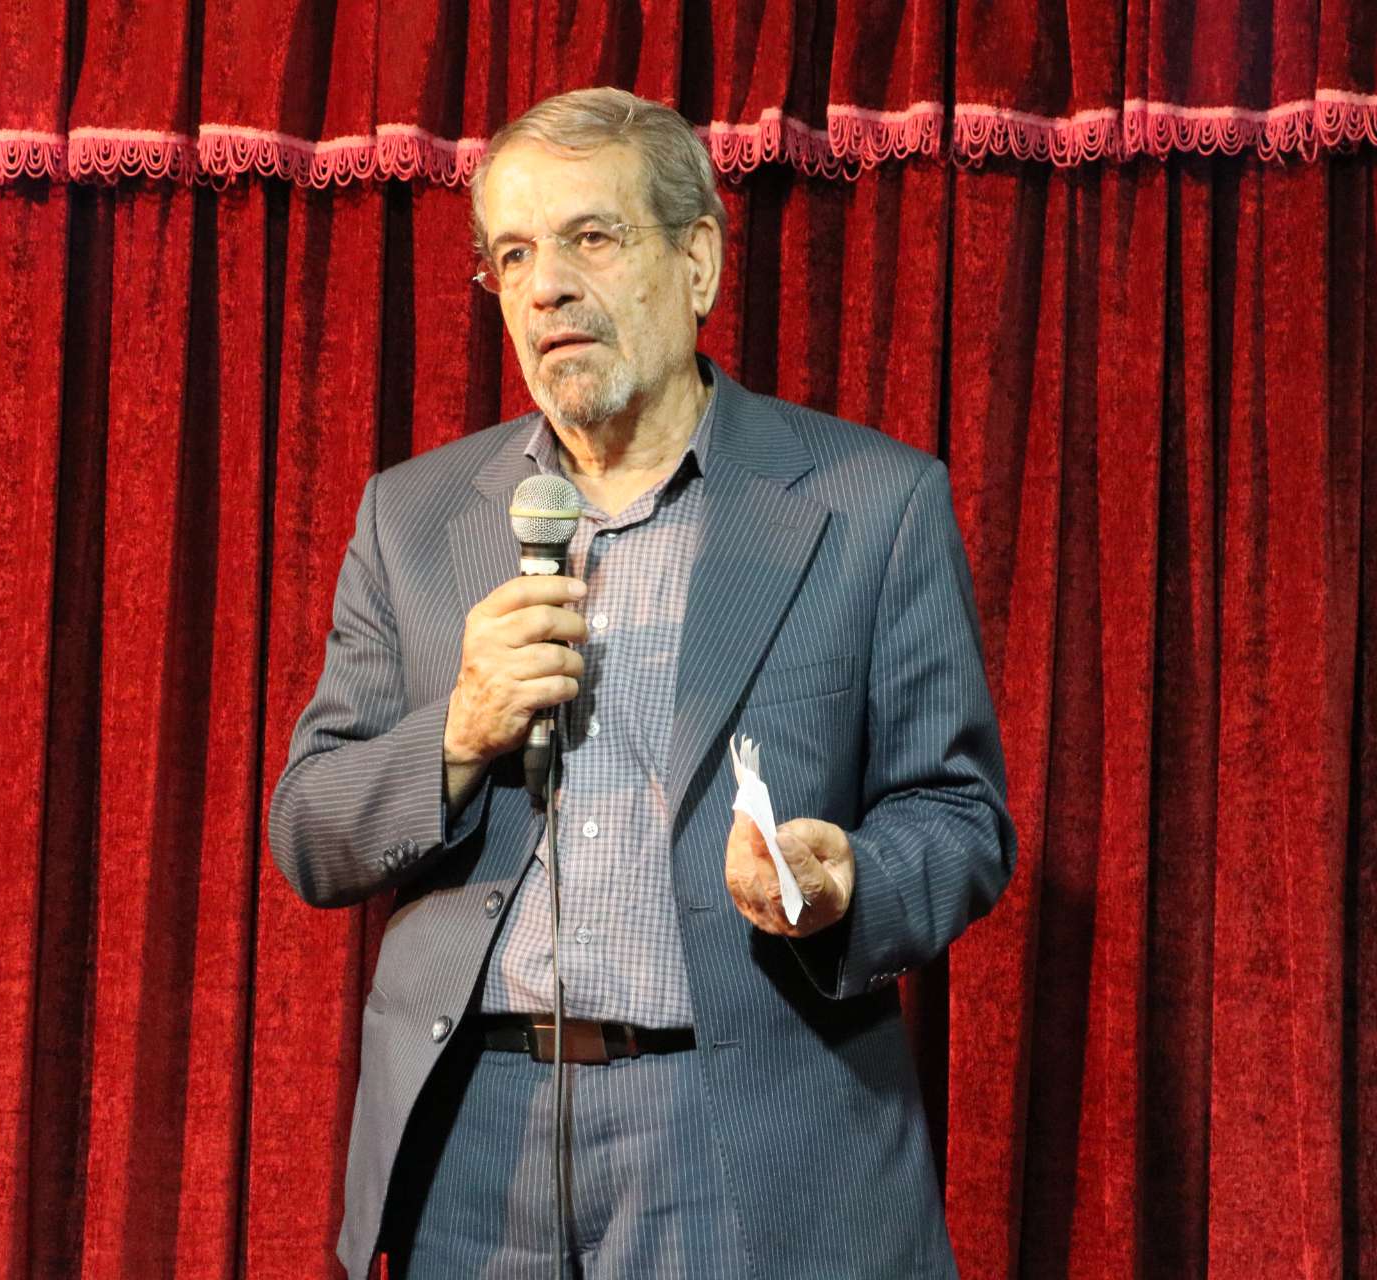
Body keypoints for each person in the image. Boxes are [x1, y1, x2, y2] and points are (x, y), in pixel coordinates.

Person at [270, 86, 1016, 1279]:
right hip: (477, 1141)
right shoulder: (413, 518)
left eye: (591, 237)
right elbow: (310, 827)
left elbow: (960, 815)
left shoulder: (870, 505)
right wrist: (457, 732)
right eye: (514, 254)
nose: (546, 287)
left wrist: (844, 879)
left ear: (698, 262)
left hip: (743, 1140)